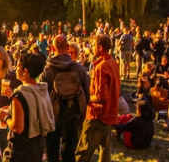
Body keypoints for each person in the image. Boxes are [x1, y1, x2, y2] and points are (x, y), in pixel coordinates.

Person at [38, 35, 89, 162]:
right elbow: (86, 92)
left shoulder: (47, 70)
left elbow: (42, 95)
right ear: (67, 47)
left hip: (52, 115)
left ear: (51, 48)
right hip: (73, 113)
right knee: (70, 150)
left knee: (52, 150)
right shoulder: (78, 69)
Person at [0, 52, 53, 161]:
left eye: (18, 66)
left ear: (25, 71)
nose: (15, 68)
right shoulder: (41, 90)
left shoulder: (19, 95)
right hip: (37, 145)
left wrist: (5, 117)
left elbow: (18, 128)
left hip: (21, 149)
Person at [76, 34, 120, 162]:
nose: (91, 48)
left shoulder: (102, 67)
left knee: (83, 152)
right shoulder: (113, 63)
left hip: (97, 115)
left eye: (93, 45)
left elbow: (102, 96)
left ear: (100, 48)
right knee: (105, 150)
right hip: (110, 114)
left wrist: (85, 97)